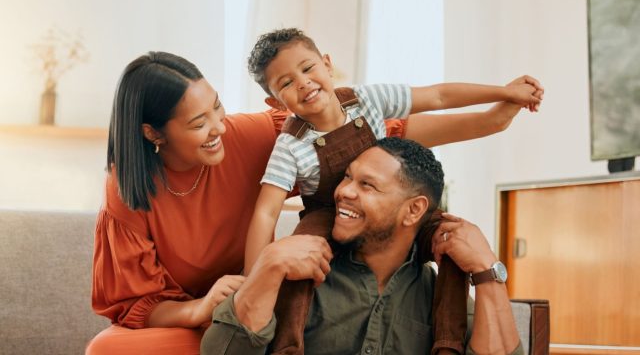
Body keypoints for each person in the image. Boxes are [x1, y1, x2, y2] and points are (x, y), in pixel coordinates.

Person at [86, 51, 537, 354]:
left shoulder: (262, 134)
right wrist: (207, 304)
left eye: (218, 109)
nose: (219, 127)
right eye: (199, 123)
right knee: (109, 348)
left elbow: (374, 138)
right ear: (153, 133)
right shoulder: (127, 193)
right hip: (213, 307)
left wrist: (494, 119)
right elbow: (133, 303)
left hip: (263, 287)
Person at [242, 28, 543, 354]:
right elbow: (265, 211)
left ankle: (449, 344)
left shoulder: (367, 99)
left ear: (327, 64)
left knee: (454, 240)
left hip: (387, 200)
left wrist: (504, 93)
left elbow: (438, 96)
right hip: (326, 214)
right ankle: (288, 346)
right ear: (275, 102)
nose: (302, 82)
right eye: (286, 83)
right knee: (297, 268)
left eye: (307, 68)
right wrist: (254, 277)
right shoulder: (291, 145)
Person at [201, 137, 523, 355]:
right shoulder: (295, 278)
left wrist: (487, 270)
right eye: (347, 177)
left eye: (367, 185)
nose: (344, 192)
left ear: (413, 210)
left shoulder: (443, 300)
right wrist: (268, 264)